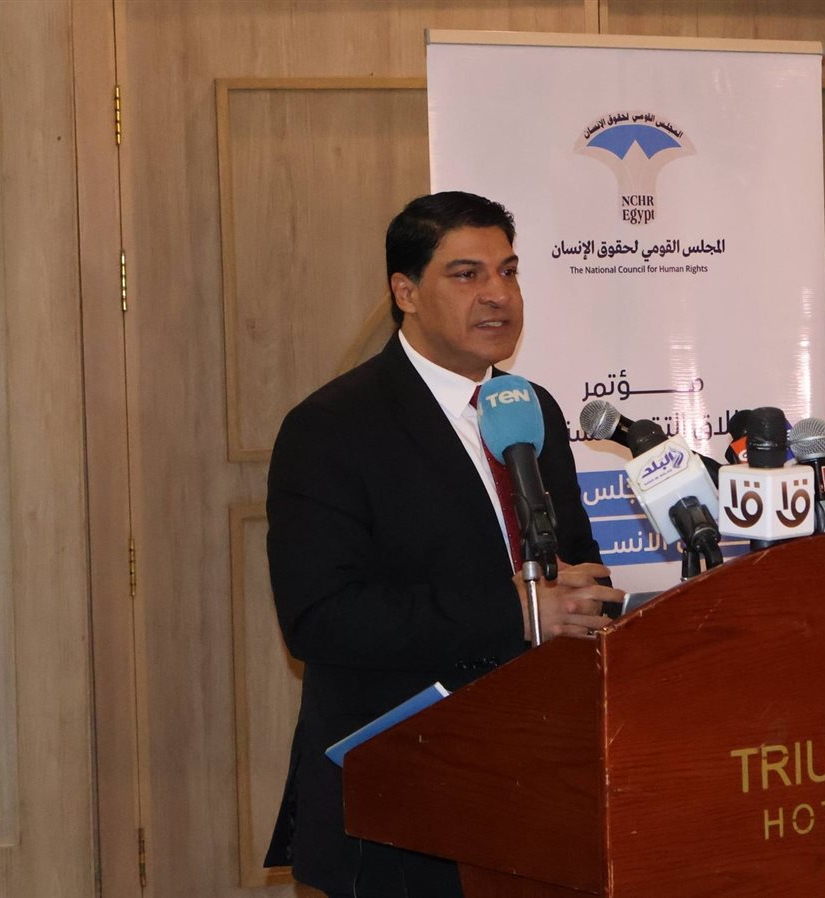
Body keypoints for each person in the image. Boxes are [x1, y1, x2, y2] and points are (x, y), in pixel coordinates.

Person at [263, 191, 623, 898]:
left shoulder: (532, 407)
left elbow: (576, 559)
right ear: (406, 293)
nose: (498, 295)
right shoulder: (332, 427)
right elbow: (320, 618)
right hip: (402, 795)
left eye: (509, 271)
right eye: (467, 275)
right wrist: (521, 610)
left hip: (540, 780)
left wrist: (586, 596)